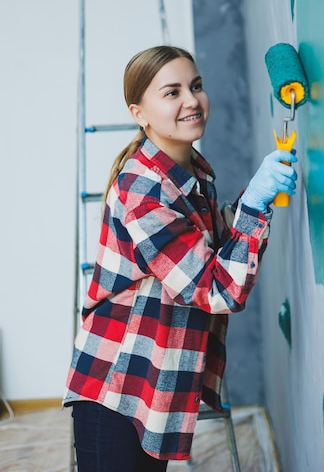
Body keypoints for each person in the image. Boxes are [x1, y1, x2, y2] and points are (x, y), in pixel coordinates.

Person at [63, 45, 297, 471]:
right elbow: (217, 288)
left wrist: (254, 201)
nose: (191, 100)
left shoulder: (193, 171)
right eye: (171, 92)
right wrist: (254, 207)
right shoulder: (142, 190)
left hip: (155, 382)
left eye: (196, 86)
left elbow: (215, 249)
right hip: (115, 385)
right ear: (140, 113)